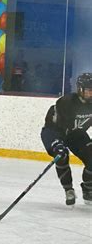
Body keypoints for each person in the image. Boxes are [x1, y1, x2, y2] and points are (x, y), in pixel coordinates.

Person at [41, 72, 92, 205]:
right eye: (88, 91)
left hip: (75, 134)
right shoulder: (67, 102)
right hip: (53, 132)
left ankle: (88, 189)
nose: (91, 94)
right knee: (62, 154)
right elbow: (54, 127)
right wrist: (57, 144)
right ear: (80, 90)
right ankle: (68, 189)